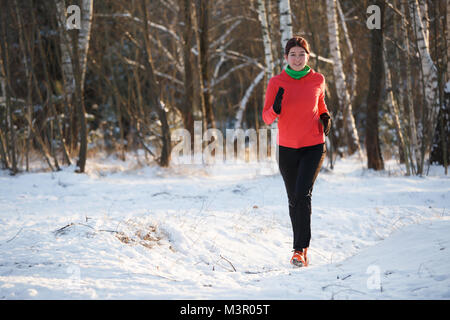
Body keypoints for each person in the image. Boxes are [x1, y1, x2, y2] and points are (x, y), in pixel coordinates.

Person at [262, 36, 331, 267]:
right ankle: (301, 250)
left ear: (308, 56)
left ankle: (299, 250)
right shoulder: (276, 82)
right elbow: (266, 117)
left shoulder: (318, 79)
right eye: (293, 54)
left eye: (302, 54)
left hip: (313, 146)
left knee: (302, 194)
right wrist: (276, 107)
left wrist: (325, 116)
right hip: (287, 149)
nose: (298, 58)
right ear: (286, 57)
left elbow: (320, 104)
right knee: (294, 199)